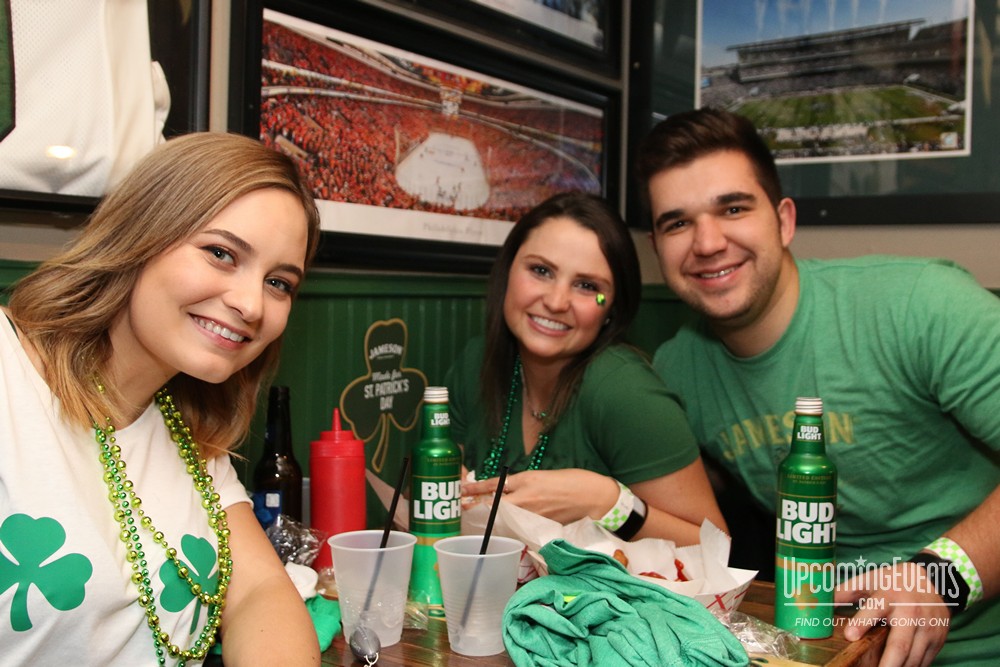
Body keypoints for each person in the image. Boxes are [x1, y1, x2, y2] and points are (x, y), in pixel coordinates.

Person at [636, 107, 1000, 666]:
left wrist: (939, 577)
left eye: (732, 208)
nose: (707, 242)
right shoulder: (677, 369)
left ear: (783, 221)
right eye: (676, 223)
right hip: (816, 648)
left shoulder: (920, 305)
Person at [1, 132, 323, 665]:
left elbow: (259, 595)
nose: (250, 304)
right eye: (221, 253)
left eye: (279, 283)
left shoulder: (188, 431)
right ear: (141, 234)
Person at [450, 192, 725, 546]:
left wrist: (606, 502)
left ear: (610, 308)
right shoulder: (476, 364)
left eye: (587, 286)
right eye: (540, 270)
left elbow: (716, 549)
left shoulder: (625, 392)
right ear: (507, 272)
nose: (556, 301)